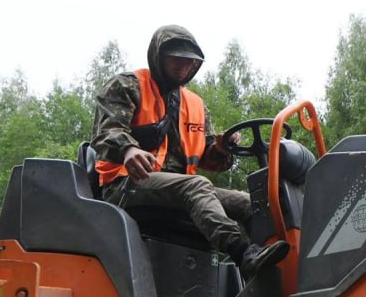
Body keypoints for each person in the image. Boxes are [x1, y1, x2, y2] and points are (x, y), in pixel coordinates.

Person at [91, 24, 289, 279]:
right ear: (158, 57)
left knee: (251, 204)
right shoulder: (128, 86)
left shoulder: (195, 105)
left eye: (190, 62)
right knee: (196, 185)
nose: (183, 67)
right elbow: (106, 132)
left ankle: (271, 268)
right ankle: (243, 254)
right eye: (176, 59)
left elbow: (208, 159)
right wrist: (128, 149)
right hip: (127, 184)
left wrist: (219, 148)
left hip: (178, 187)